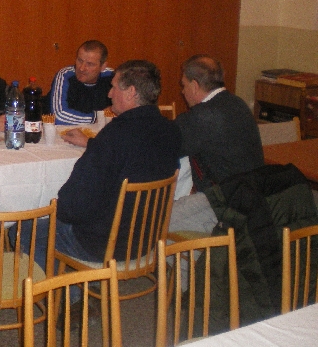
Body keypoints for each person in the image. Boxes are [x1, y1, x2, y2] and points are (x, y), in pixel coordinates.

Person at [19, 60, 181, 305]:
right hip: (147, 240)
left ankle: (72, 302)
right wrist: (94, 145)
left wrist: (56, 210)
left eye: (114, 87)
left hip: (105, 246)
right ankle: (89, 285)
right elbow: (135, 158)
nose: (109, 93)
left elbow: (72, 205)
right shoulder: (170, 130)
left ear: (131, 92)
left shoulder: (115, 135)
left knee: (26, 229)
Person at [169, 55, 264, 235]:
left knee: (155, 222)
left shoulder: (201, 117)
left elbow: (163, 148)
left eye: (184, 85)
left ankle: (191, 254)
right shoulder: (238, 104)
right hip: (254, 199)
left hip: (225, 205)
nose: (182, 91)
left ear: (194, 85)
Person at [49, 40, 114, 125]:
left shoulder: (113, 77)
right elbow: (58, 117)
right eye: (80, 60)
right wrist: (98, 118)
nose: (82, 68)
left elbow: (126, 110)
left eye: (90, 64)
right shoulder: (65, 75)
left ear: (103, 67)